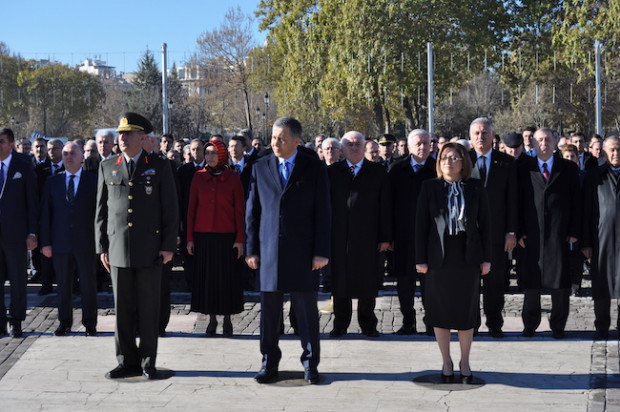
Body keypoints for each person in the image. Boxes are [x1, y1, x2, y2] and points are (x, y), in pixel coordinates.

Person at [245, 116, 330, 385]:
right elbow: (253, 212)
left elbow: (324, 213)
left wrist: (321, 251)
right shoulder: (260, 167)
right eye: (273, 138)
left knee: (306, 313)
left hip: (303, 252)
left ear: (296, 141)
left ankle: (310, 364)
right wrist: (252, 249)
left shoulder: (313, 168)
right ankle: (268, 363)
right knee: (269, 315)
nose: (275, 143)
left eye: (281, 138)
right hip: (269, 251)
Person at [96, 112, 178, 380]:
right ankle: (125, 361)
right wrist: (102, 247)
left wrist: (167, 246)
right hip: (118, 249)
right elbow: (100, 211)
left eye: (128, 134)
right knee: (122, 310)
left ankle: (147, 361)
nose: (122, 138)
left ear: (142, 138)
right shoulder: (108, 166)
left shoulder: (158, 165)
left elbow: (170, 209)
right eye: (120, 134)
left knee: (148, 308)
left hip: (150, 249)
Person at [415, 142, 491, 384]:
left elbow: (487, 225)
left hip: (467, 256)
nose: (448, 162)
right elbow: (420, 226)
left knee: (466, 311)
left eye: (454, 157)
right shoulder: (429, 187)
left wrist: (487, 258)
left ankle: (465, 360)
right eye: (444, 157)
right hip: (439, 258)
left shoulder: (476, 187)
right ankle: (446, 361)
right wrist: (420, 260)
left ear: (463, 162)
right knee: (441, 311)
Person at [517, 128, 580, 339]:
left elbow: (576, 202)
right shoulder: (523, 168)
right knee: (531, 282)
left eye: (548, 140)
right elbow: (515, 203)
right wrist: (518, 232)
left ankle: (559, 325)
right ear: (533, 144)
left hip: (559, 233)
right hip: (531, 234)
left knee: (560, 282)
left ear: (556, 143)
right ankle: (530, 324)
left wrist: (573, 231)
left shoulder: (568, 169)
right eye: (539, 140)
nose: (544, 143)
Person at [328, 131, 391, 338]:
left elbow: (386, 206)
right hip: (339, 237)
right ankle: (340, 324)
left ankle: (368, 324)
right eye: (349, 144)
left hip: (369, 236)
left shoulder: (377, 171)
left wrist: (385, 237)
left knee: (368, 282)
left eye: (358, 144)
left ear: (364, 147)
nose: (354, 148)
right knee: (340, 282)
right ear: (342, 148)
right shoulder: (332, 172)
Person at [186, 140, 245, 336]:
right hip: (203, 236)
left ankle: (227, 318)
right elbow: (192, 209)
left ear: (222, 155)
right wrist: (190, 238)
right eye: (207, 153)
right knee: (208, 280)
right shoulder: (198, 177)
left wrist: (239, 239)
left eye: (213, 153)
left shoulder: (233, 178)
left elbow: (239, 211)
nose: (210, 156)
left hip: (227, 237)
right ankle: (211, 319)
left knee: (227, 279)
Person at [40, 142, 98, 337]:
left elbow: (100, 214)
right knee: (63, 285)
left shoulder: (93, 181)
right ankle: (64, 322)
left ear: (82, 156)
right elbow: (46, 215)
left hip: (86, 242)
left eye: (73, 153)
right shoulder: (52, 181)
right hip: (61, 242)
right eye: (65, 154)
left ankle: (90, 323)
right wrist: (46, 242)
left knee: (88, 285)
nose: (68, 157)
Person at [469, 117, 518, 338]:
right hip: (468, 235)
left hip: (497, 234)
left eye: (485, 133)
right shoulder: (462, 160)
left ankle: (495, 323)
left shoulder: (506, 163)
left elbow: (512, 200)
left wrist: (511, 231)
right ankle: (471, 324)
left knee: (495, 282)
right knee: (469, 283)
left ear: (492, 135)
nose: (481, 137)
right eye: (477, 133)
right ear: (471, 136)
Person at [389, 129, 436, 336]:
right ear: (408, 147)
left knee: (430, 283)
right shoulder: (396, 169)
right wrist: (388, 235)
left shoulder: (437, 169)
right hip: (403, 236)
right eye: (418, 143)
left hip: (430, 237)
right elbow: (387, 204)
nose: (423, 147)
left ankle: (431, 322)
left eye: (426, 143)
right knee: (405, 282)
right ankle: (408, 321)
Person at [0, 127, 38, 338]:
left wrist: (33, 232)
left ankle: (16, 321)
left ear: (11, 144)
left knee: (17, 280)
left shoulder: (23, 166)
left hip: (16, 234)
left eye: (2, 141)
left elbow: (32, 202)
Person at [581, 136, 620, 340]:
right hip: (601, 238)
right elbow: (586, 210)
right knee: (601, 283)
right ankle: (602, 325)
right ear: (603, 152)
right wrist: (586, 242)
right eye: (612, 150)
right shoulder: (594, 176)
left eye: (619, 149)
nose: (616, 153)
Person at [177, 139, 205, 290]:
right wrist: (180, 219)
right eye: (193, 150)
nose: (196, 152)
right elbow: (179, 196)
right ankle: (191, 283)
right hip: (188, 217)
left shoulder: (210, 169)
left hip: (205, 218)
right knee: (189, 252)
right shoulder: (184, 171)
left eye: (198, 149)